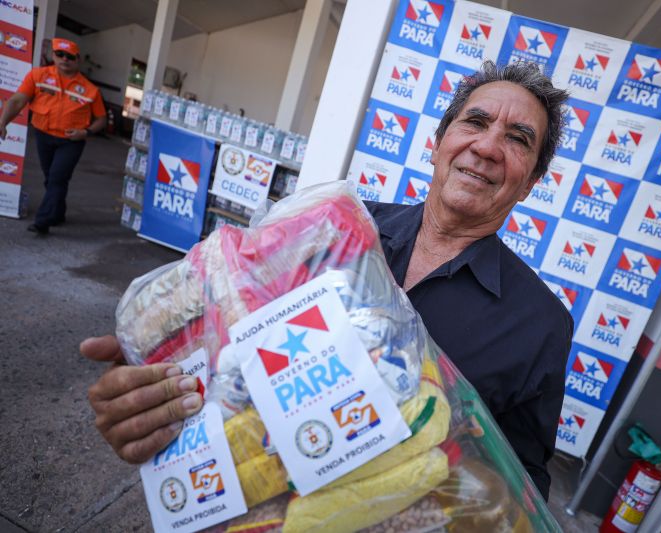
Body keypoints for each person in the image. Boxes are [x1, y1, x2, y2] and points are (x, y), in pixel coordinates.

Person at [81, 60, 572, 500]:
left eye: (518, 139)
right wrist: (151, 387)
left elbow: (522, 479)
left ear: (531, 181)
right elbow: (218, 344)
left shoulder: (540, 323)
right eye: (476, 122)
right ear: (438, 143)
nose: (487, 147)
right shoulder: (330, 227)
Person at [0, 38, 107, 235]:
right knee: (51, 179)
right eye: (60, 54)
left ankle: (43, 222)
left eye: (70, 56)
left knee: (57, 178)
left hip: (71, 142)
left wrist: (86, 132)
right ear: (53, 55)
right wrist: (3, 122)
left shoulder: (91, 90)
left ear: (78, 59)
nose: (64, 59)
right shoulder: (37, 76)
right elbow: (17, 101)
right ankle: (58, 212)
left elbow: (102, 119)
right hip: (43, 136)